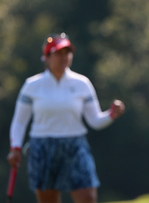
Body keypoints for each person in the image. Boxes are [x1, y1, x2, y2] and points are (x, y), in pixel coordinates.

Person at [7, 33, 125, 203]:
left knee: (88, 199)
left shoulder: (82, 83)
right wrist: (15, 148)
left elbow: (95, 120)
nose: (64, 57)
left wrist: (111, 115)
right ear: (46, 57)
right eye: (58, 53)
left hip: (75, 146)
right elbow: (19, 121)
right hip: (42, 147)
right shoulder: (32, 86)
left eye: (67, 53)